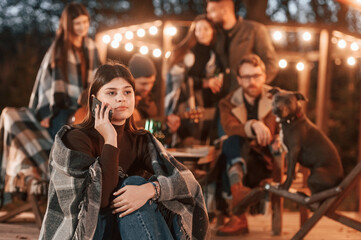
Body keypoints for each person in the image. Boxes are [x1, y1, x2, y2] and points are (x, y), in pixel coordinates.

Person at [38, 62, 209, 240]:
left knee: (138, 186)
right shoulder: (75, 138)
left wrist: (151, 190)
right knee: (133, 183)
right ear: (94, 99)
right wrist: (110, 139)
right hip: (91, 232)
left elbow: (188, 183)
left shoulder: (142, 140)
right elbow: (100, 200)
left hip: (132, 231)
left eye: (127, 92)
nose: (121, 98)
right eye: (111, 93)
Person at [216, 54, 280, 236]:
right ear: (239, 79)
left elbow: (290, 129)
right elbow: (230, 128)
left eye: (256, 76)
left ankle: (238, 213)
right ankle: (239, 193)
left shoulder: (278, 99)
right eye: (246, 77)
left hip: (266, 163)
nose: (252, 81)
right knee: (232, 140)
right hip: (239, 160)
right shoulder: (227, 103)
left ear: (264, 76)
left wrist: (279, 139)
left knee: (229, 156)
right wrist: (253, 124)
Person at [29, 2, 101, 139]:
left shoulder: (92, 47)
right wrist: (46, 113)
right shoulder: (58, 50)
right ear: (68, 25)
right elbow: (46, 82)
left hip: (86, 106)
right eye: (77, 23)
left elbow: (98, 77)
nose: (83, 27)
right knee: (64, 141)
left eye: (85, 22)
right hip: (62, 107)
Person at [165, 14, 224, 145]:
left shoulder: (215, 56)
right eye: (198, 29)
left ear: (213, 31)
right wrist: (205, 83)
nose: (201, 33)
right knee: (187, 144)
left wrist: (216, 82)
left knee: (204, 147)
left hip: (207, 107)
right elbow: (175, 79)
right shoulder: (184, 52)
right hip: (185, 107)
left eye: (205, 29)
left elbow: (219, 74)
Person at [206, 0, 278, 93]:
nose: (208, 16)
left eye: (211, 11)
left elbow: (271, 64)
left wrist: (254, 86)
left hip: (248, 100)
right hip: (223, 99)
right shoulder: (215, 35)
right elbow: (216, 65)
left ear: (224, 11)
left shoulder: (255, 30)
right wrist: (215, 77)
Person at [129, 53, 180, 144]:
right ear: (131, 80)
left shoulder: (151, 104)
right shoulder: (123, 103)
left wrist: (170, 132)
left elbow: (156, 139)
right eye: (143, 84)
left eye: (151, 82)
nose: (148, 88)